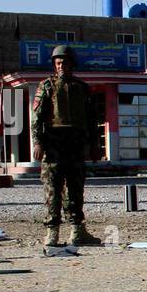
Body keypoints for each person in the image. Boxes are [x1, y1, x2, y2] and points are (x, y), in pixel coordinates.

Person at [31, 44, 101, 247]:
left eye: (65, 62)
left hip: (76, 144)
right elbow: (37, 117)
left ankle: (77, 231)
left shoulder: (82, 88)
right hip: (54, 144)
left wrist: (94, 145)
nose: (62, 66)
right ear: (54, 65)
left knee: (75, 189)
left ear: (72, 64)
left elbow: (91, 119)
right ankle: (52, 232)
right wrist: (38, 142)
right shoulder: (47, 86)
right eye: (58, 63)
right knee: (52, 189)